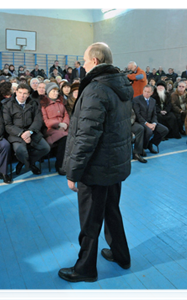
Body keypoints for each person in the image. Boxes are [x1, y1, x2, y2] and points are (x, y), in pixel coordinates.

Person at [59, 42, 133, 283]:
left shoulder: (95, 89)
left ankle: (85, 268)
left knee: (90, 221)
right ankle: (122, 255)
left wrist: (73, 171)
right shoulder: (119, 84)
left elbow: (86, 135)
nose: (83, 65)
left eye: (85, 60)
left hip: (96, 167)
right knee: (112, 211)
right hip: (114, 164)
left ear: (96, 61)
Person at [3, 83, 50, 175]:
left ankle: (26, 163)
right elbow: (8, 125)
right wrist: (21, 133)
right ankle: (30, 164)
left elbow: (38, 120)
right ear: (16, 92)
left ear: (28, 94)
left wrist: (29, 132)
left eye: (25, 93)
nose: (22, 95)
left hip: (32, 132)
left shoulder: (33, 103)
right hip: (16, 134)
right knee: (20, 151)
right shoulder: (7, 105)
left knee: (45, 148)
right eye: (20, 92)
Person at [39, 82, 69, 175]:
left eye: (57, 91)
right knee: (65, 139)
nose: (56, 93)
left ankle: (68, 163)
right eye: (53, 91)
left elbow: (66, 115)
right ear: (48, 92)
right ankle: (60, 165)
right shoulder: (43, 104)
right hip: (51, 130)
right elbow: (46, 121)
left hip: (63, 128)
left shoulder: (61, 102)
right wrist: (59, 124)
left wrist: (65, 124)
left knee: (73, 137)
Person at [133, 85, 169, 154]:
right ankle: (143, 147)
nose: (146, 93)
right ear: (143, 91)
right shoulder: (136, 100)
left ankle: (150, 144)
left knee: (164, 130)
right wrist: (147, 124)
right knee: (149, 132)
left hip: (151, 122)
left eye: (148, 92)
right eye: (145, 91)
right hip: (141, 122)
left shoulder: (153, 101)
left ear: (151, 93)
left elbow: (154, 114)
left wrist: (154, 124)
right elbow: (138, 115)